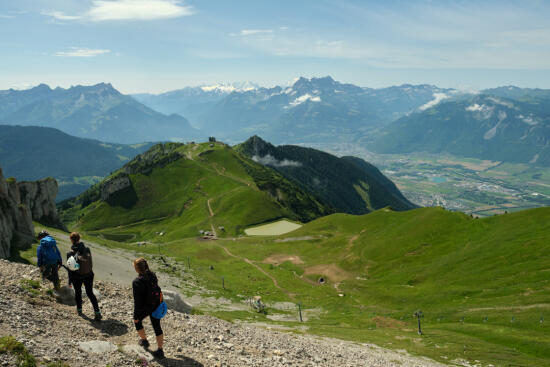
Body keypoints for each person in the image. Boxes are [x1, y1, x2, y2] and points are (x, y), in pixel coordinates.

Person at [132, 258, 165, 359]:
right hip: (156, 305)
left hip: (145, 307)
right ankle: (160, 350)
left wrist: (136, 315)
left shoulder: (137, 282)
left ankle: (145, 341)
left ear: (137, 269)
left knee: (137, 321)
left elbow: (137, 301)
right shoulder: (152, 275)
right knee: (157, 326)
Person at [66, 232, 102, 321]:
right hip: (88, 274)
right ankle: (97, 312)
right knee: (90, 293)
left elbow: (70, 269)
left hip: (76, 276)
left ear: (71, 240)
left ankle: (79, 311)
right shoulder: (87, 249)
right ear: (79, 239)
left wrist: (70, 281)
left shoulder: (69, 253)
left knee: (78, 293)